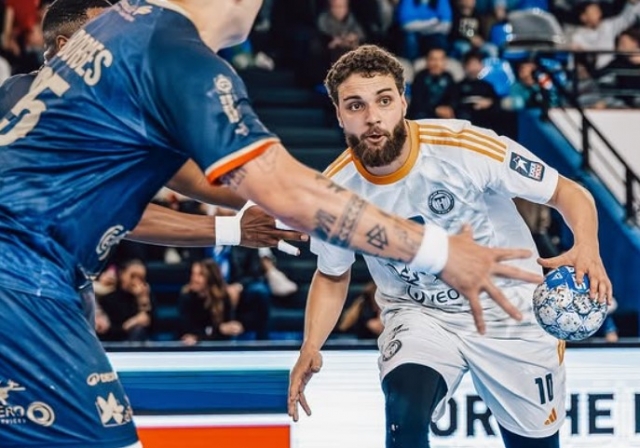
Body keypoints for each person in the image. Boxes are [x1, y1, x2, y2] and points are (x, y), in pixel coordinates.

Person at [0, 1, 544, 446]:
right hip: (23, 283)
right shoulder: (175, 54)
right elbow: (283, 189)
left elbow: (211, 180)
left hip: (41, 281)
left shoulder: (120, 34)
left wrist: (278, 204)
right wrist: (439, 250)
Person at [287, 45, 612, 448]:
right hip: (422, 314)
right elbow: (332, 274)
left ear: (403, 102)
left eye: (384, 101)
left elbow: (567, 191)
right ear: (339, 114)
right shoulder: (333, 192)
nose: (372, 117)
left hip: (509, 310)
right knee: (404, 422)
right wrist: (310, 345)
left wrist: (587, 247)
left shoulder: (464, 146)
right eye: (356, 105)